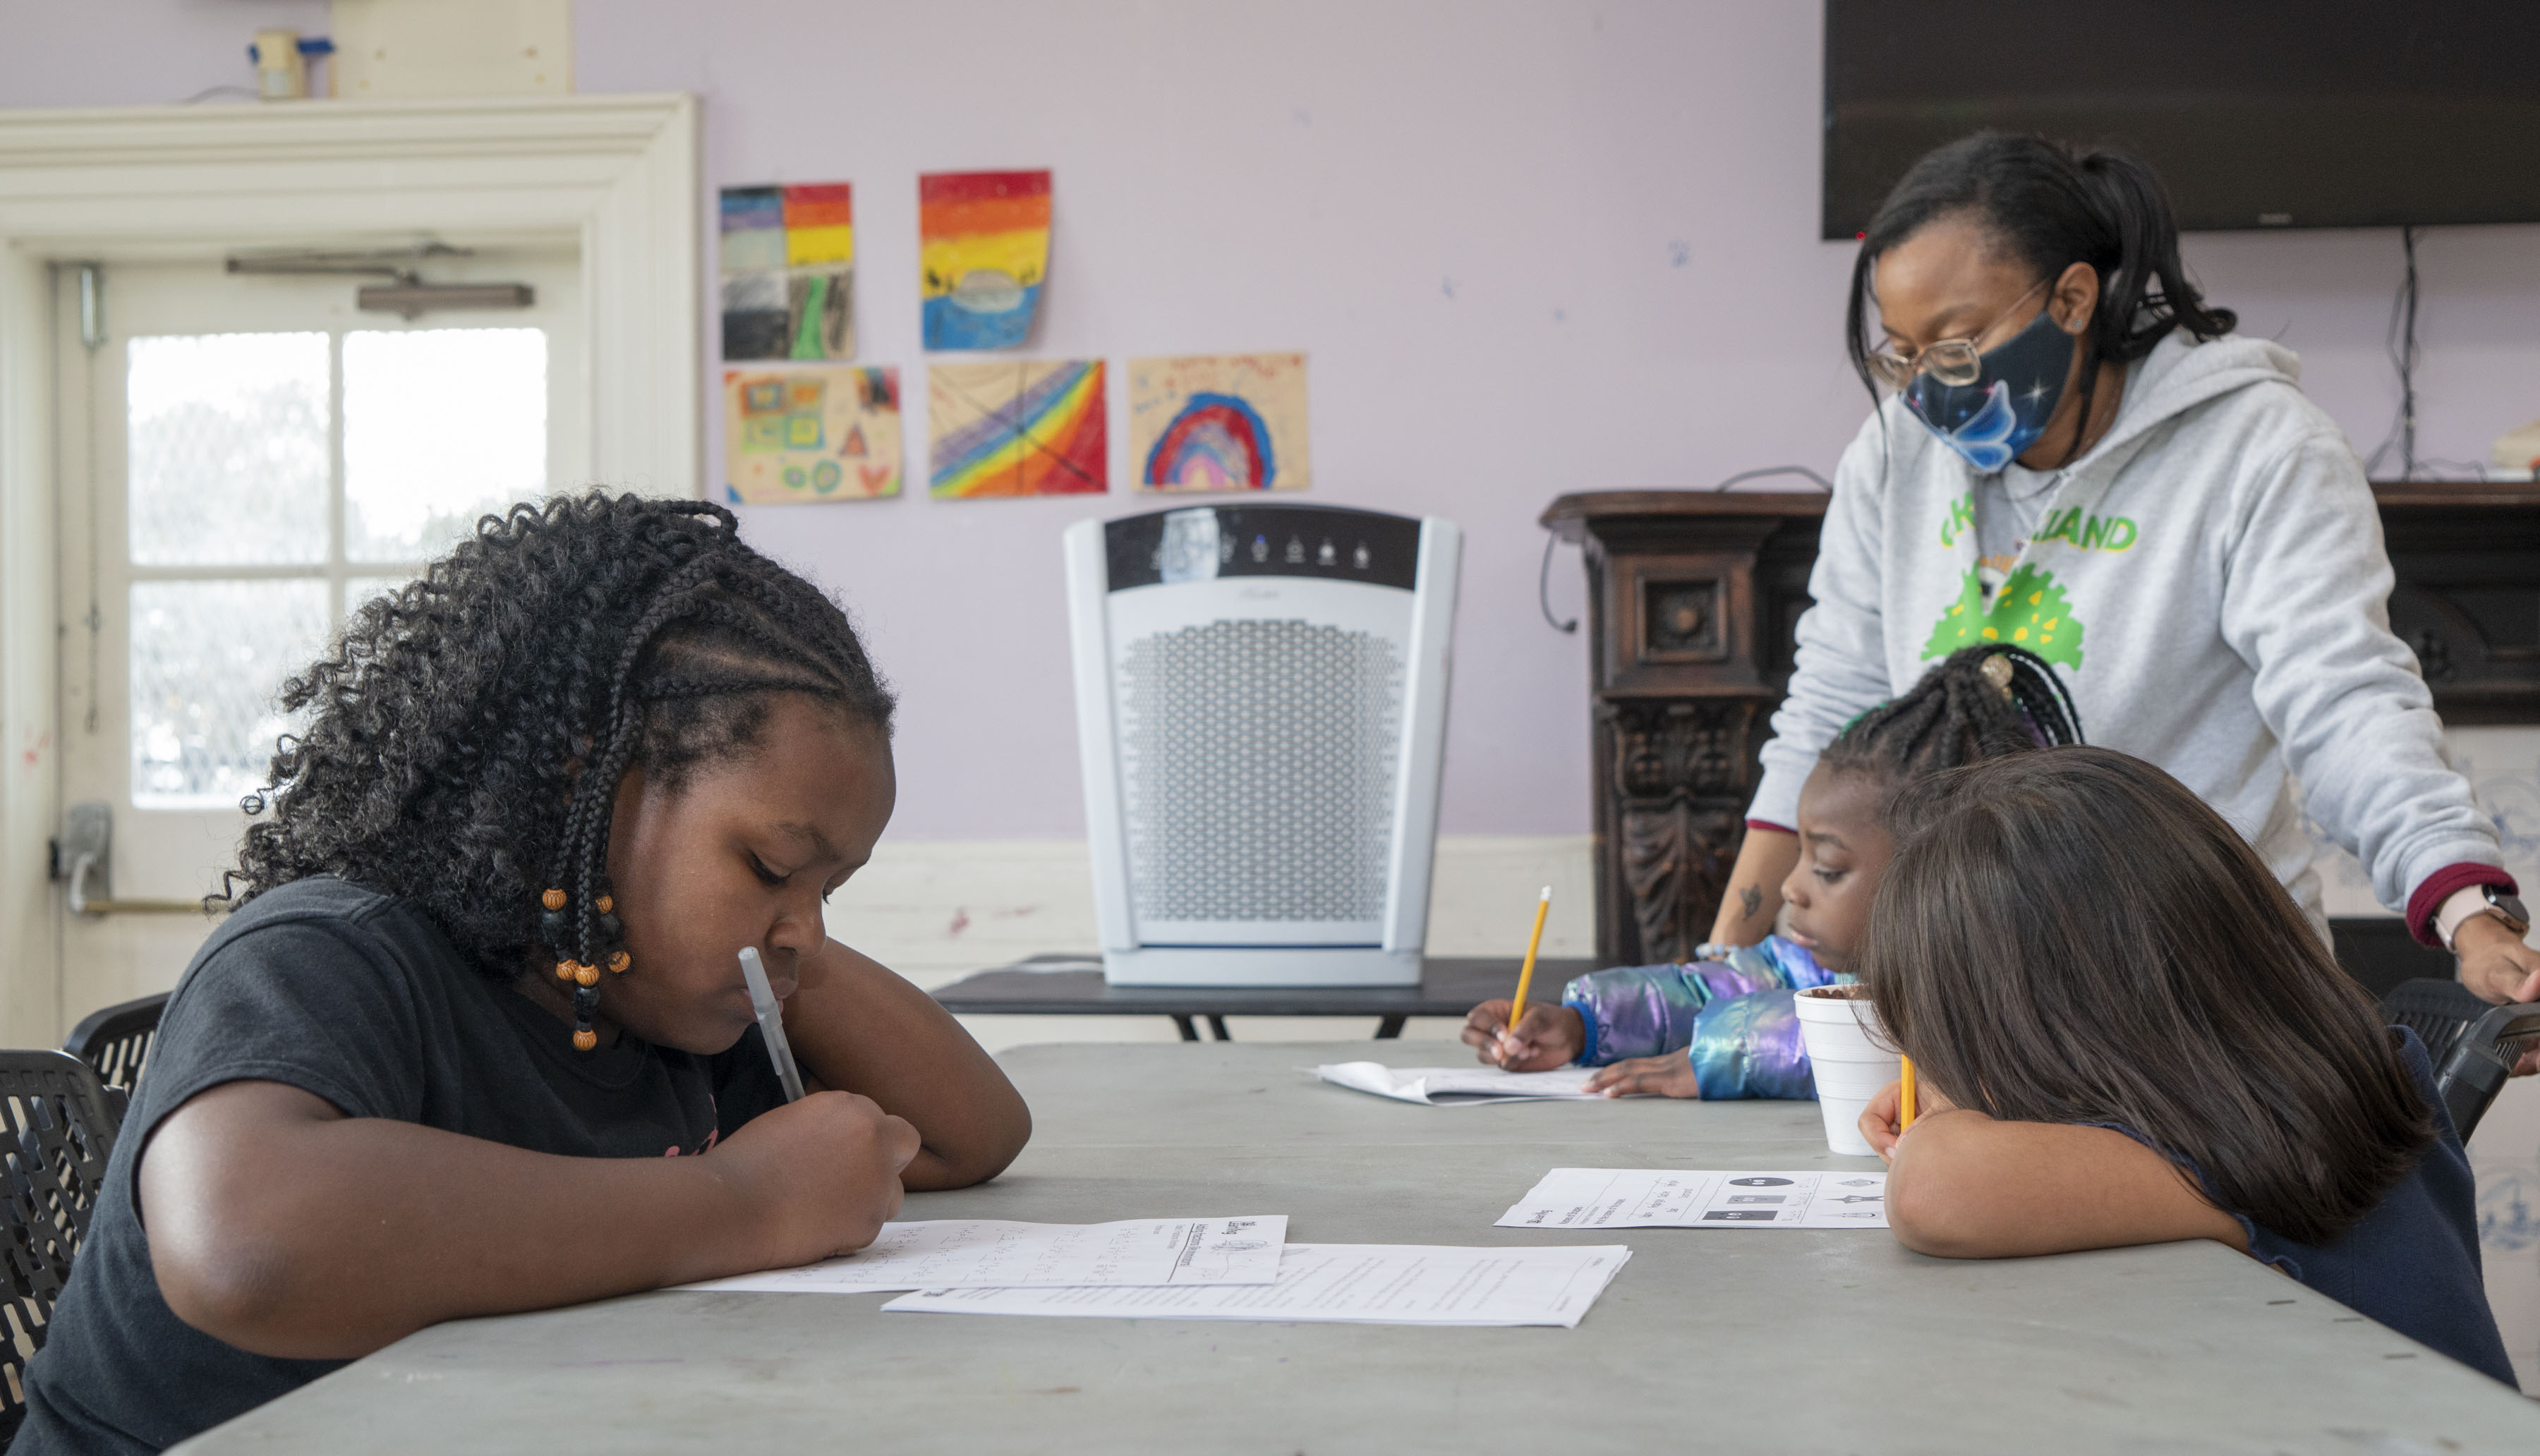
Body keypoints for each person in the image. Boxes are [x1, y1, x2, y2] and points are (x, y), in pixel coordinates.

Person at [17, 495, 1034, 1455]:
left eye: (833, 886)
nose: (807, 928)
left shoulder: (656, 1011)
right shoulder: (330, 954)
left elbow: (974, 1133)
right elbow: (246, 1246)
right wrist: (744, 1202)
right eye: (769, 864)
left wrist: (776, 916)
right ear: (579, 780)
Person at [1705, 132, 2537, 1010]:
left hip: (2205, 997)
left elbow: (2345, 702)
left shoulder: (2257, 447)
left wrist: (2470, 913)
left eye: (1957, 344)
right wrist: (1721, 974)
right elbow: (1832, 712)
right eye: (1902, 355)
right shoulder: (1894, 458)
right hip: (1982, 1004)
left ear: (2070, 298)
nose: (1926, 389)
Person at [1858, 747, 2514, 1385]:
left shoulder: (2248, 1152)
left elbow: (1931, 1188)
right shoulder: (2325, 1080)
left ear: (2056, 1036)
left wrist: (1955, 1110)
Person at [1461, 645, 2079, 1097]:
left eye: (1828, 869)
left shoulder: (2007, 988)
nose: (1790, 887)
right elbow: (1721, 986)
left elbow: (1871, 1037)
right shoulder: (1814, 959)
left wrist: (1714, 1055)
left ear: (1940, 872)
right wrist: (1584, 1023)